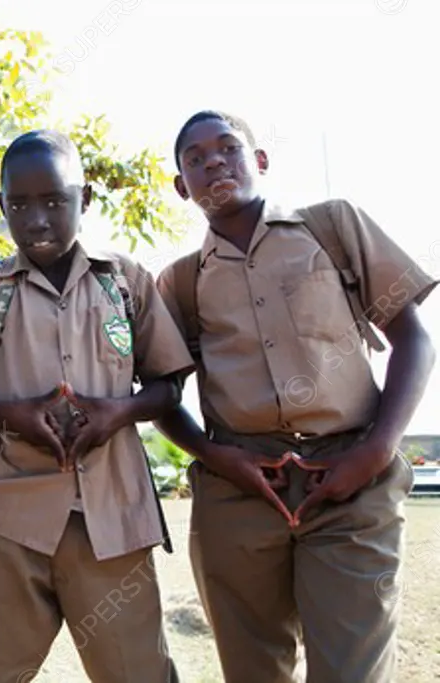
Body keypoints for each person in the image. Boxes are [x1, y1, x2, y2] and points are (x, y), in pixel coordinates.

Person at [154, 110, 438, 683]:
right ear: (182, 187)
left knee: (351, 670)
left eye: (227, 148)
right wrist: (215, 457)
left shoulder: (332, 227)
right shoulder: (180, 281)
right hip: (240, 490)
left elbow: (413, 336)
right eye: (194, 158)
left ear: (259, 161)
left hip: (351, 479)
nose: (212, 161)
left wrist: (377, 450)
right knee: (253, 669)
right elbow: (161, 392)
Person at [0, 129, 190, 683]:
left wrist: (117, 412)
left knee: (137, 671)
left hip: (112, 518)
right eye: (19, 204)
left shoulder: (125, 280)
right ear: (0, 207)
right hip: (6, 516)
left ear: (85, 199)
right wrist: (12, 415)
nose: (37, 218)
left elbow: (167, 385)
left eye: (55, 200)